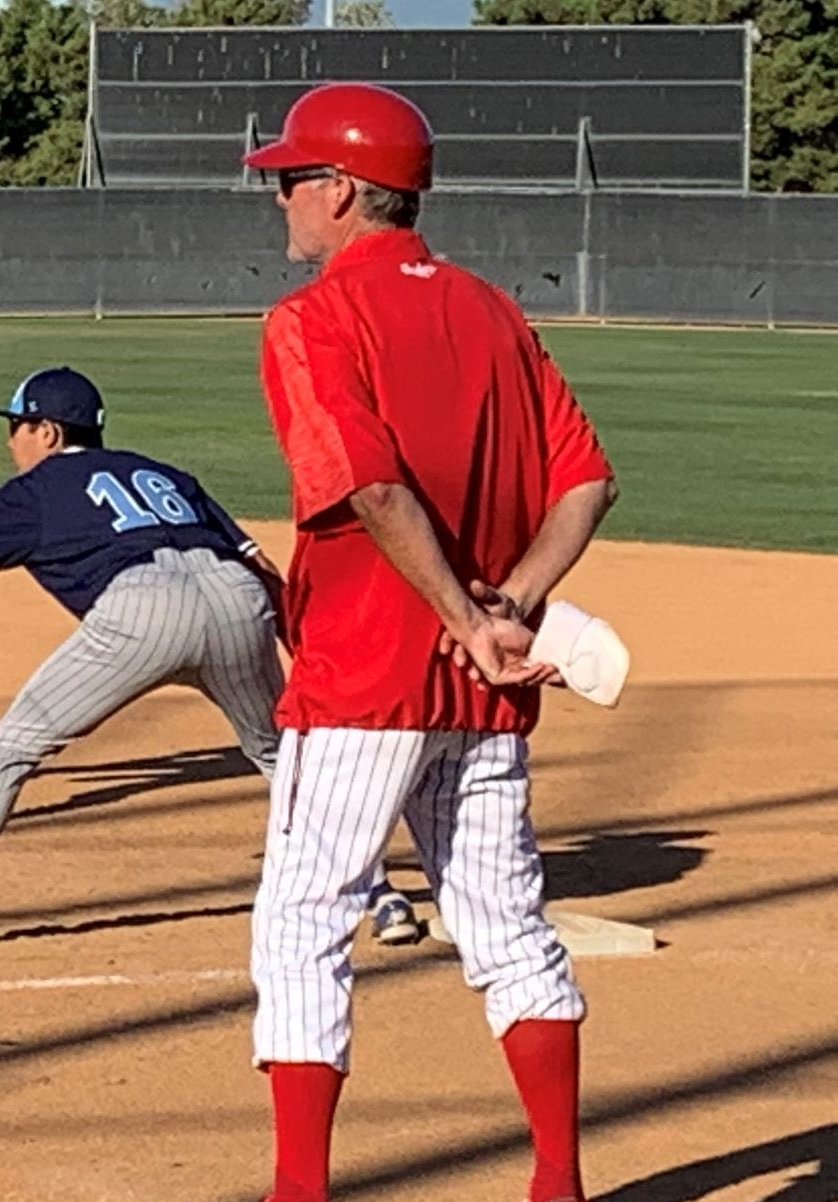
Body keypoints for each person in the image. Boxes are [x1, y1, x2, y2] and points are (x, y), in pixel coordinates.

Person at [243, 84, 618, 1202]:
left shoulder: (311, 318)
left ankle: (298, 1190)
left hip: (362, 673)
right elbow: (587, 479)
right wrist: (506, 609)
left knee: (307, 917)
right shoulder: (494, 311)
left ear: (345, 191)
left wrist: (463, 613)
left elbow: (366, 482)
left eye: (291, 178)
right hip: (483, 688)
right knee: (506, 927)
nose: (282, 199)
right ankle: (557, 1179)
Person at [0, 366, 287, 950]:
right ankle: (374, 892)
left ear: (47, 432)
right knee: (282, 754)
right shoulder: (163, 473)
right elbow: (263, 570)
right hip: (237, 599)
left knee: (9, 749)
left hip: (142, 610)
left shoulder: (35, 490)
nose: (11, 440)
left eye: (18, 425)